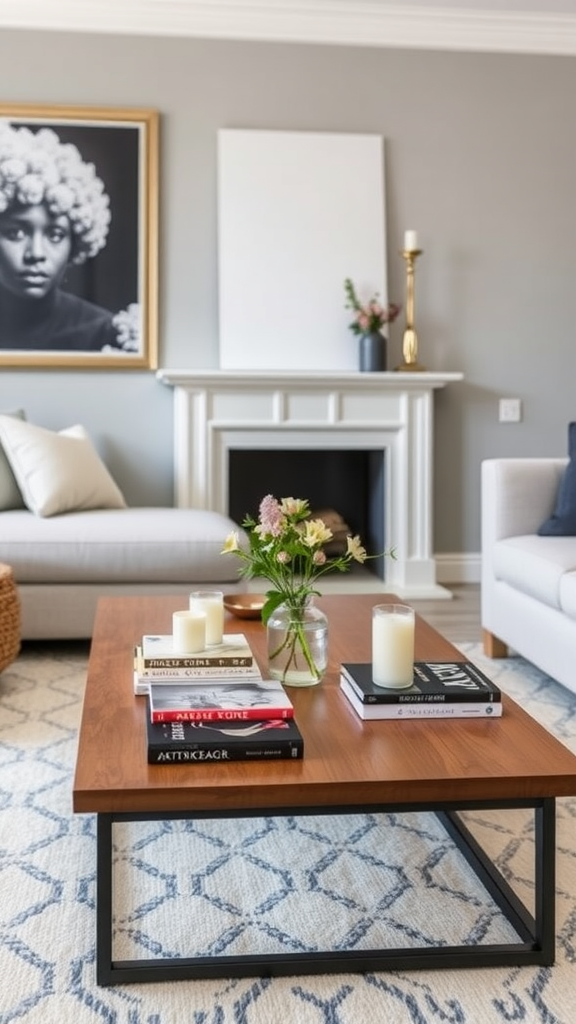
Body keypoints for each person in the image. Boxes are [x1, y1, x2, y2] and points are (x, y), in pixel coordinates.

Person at [0, 121, 124, 351]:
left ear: (74, 243)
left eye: (55, 235)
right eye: (15, 233)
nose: (36, 254)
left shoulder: (104, 333)